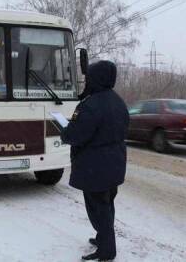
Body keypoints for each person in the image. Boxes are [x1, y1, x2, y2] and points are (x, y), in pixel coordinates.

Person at [61, 60, 129, 261]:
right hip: (115, 163)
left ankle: (107, 251)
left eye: (89, 77)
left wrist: (65, 132)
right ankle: (103, 239)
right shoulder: (118, 101)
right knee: (107, 205)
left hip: (95, 167)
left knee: (98, 208)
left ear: (95, 78)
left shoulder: (91, 104)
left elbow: (76, 134)